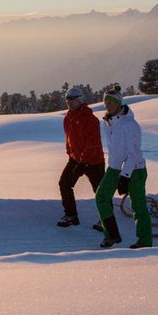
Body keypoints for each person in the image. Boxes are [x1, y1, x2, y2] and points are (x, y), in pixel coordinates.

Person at [95, 85, 152, 249]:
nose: (108, 106)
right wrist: (114, 169)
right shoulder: (108, 122)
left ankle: (145, 241)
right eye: (106, 103)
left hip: (135, 169)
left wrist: (125, 176)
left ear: (119, 104)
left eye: (111, 103)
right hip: (114, 168)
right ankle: (111, 235)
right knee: (101, 197)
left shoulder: (130, 125)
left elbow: (133, 155)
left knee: (138, 204)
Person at [56, 86, 105, 228]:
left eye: (72, 99)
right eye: (67, 99)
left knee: (101, 192)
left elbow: (92, 143)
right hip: (75, 159)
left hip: (94, 161)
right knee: (64, 184)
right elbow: (69, 139)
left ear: (80, 100)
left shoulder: (90, 119)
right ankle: (71, 215)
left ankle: (106, 220)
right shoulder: (67, 118)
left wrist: (83, 162)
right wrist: (71, 154)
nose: (69, 102)